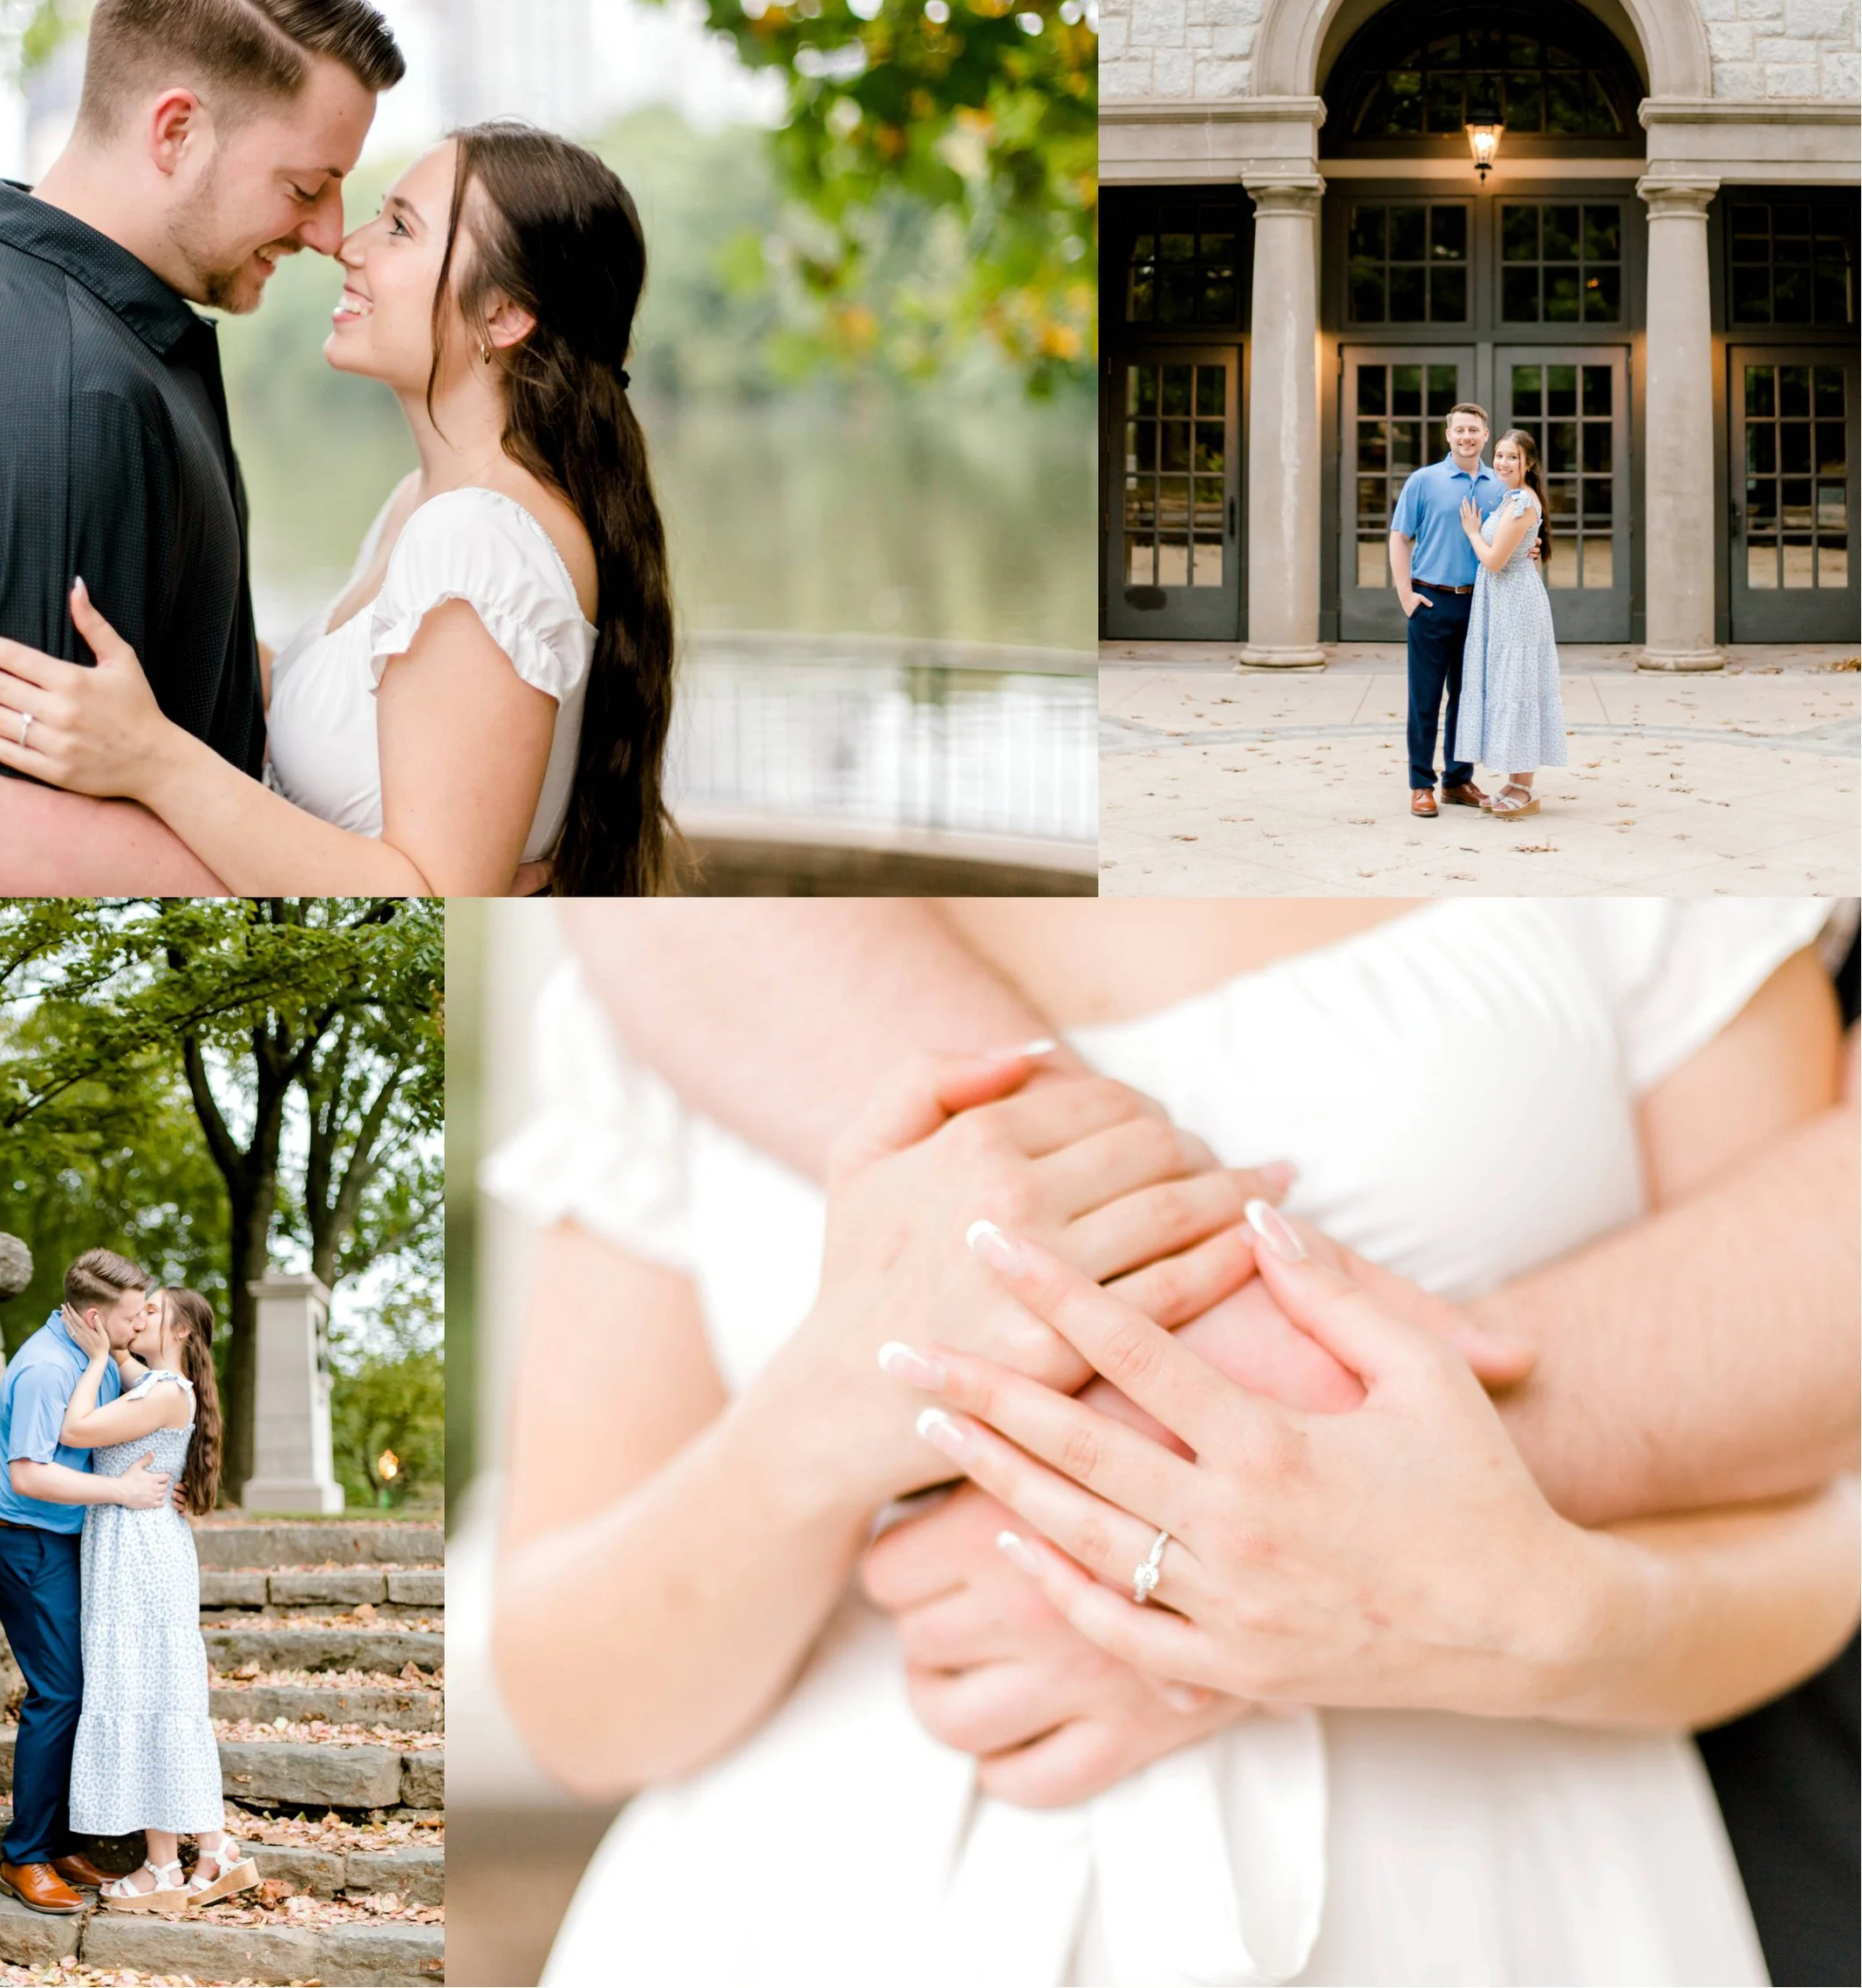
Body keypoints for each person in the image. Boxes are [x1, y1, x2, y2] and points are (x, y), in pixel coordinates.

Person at [482, 898, 1859, 1985]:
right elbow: (573, 1699)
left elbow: (1812, 1518)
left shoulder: (1643, 875)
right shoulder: (679, 955)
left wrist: (1479, 1601)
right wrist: (828, 1412)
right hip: (826, 1915)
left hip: (1501, 1904)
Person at [0, 121, 677, 896]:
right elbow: (353, 705)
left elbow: (435, 903)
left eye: (400, 228)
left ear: (505, 315)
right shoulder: (424, 505)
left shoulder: (478, 541)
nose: (349, 244)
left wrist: (152, 758)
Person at [0, 0, 399, 899]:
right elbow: (29, 843)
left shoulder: (94, 333)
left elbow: (186, 668)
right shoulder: (63, 394)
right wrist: (390, 897)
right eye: (306, 185)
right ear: (176, 130)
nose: (327, 232)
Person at [0, 1250, 172, 1918]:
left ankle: (58, 1843)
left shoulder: (91, 1356)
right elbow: (29, 1475)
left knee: (82, 1688)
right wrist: (120, 1491)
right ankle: (23, 1856)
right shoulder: (43, 1368)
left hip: (65, 1541)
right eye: (132, 1312)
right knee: (58, 1692)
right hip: (24, 1541)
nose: (143, 1318)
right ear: (95, 1317)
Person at [61, 1288, 256, 1914]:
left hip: (141, 1553)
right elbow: (129, 1368)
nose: (138, 1317)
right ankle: (177, 1858)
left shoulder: (169, 1391)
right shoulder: (153, 1384)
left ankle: (188, 1857)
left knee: (153, 1695)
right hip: (127, 1546)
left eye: (151, 1310)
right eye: (136, 1309)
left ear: (183, 1332)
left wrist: (93, 1359)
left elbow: (77, 1428)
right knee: (141, 1694)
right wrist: (109, 1343)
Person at [1387, 403, 1510, 818]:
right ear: (1448, 435)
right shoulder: (1424, 481)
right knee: (1424, 698)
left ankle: (1457, 780)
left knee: (1468, 697)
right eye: (1459, 430)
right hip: (1431, 601)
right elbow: (1399, 537)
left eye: (1474, 430)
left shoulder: (1500, 484)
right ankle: (1421, 783)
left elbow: (1518, 533)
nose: (1466, 437)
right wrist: (1406, 595)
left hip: (1479, 605)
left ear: (1486, 435)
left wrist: (1532, 546)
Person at [1456, 427, 1569, 817]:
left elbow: (1493, 560)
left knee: (1519, 689)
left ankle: (1525, 786)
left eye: (1511, 457)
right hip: (1503, 603)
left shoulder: (1521, 502)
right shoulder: (1511, 499)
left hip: (1517, 606)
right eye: (1499, 455)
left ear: (1529, 463)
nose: (1502, 462)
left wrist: (1472, 531)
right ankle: (1515, 779)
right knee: (1509, 687)